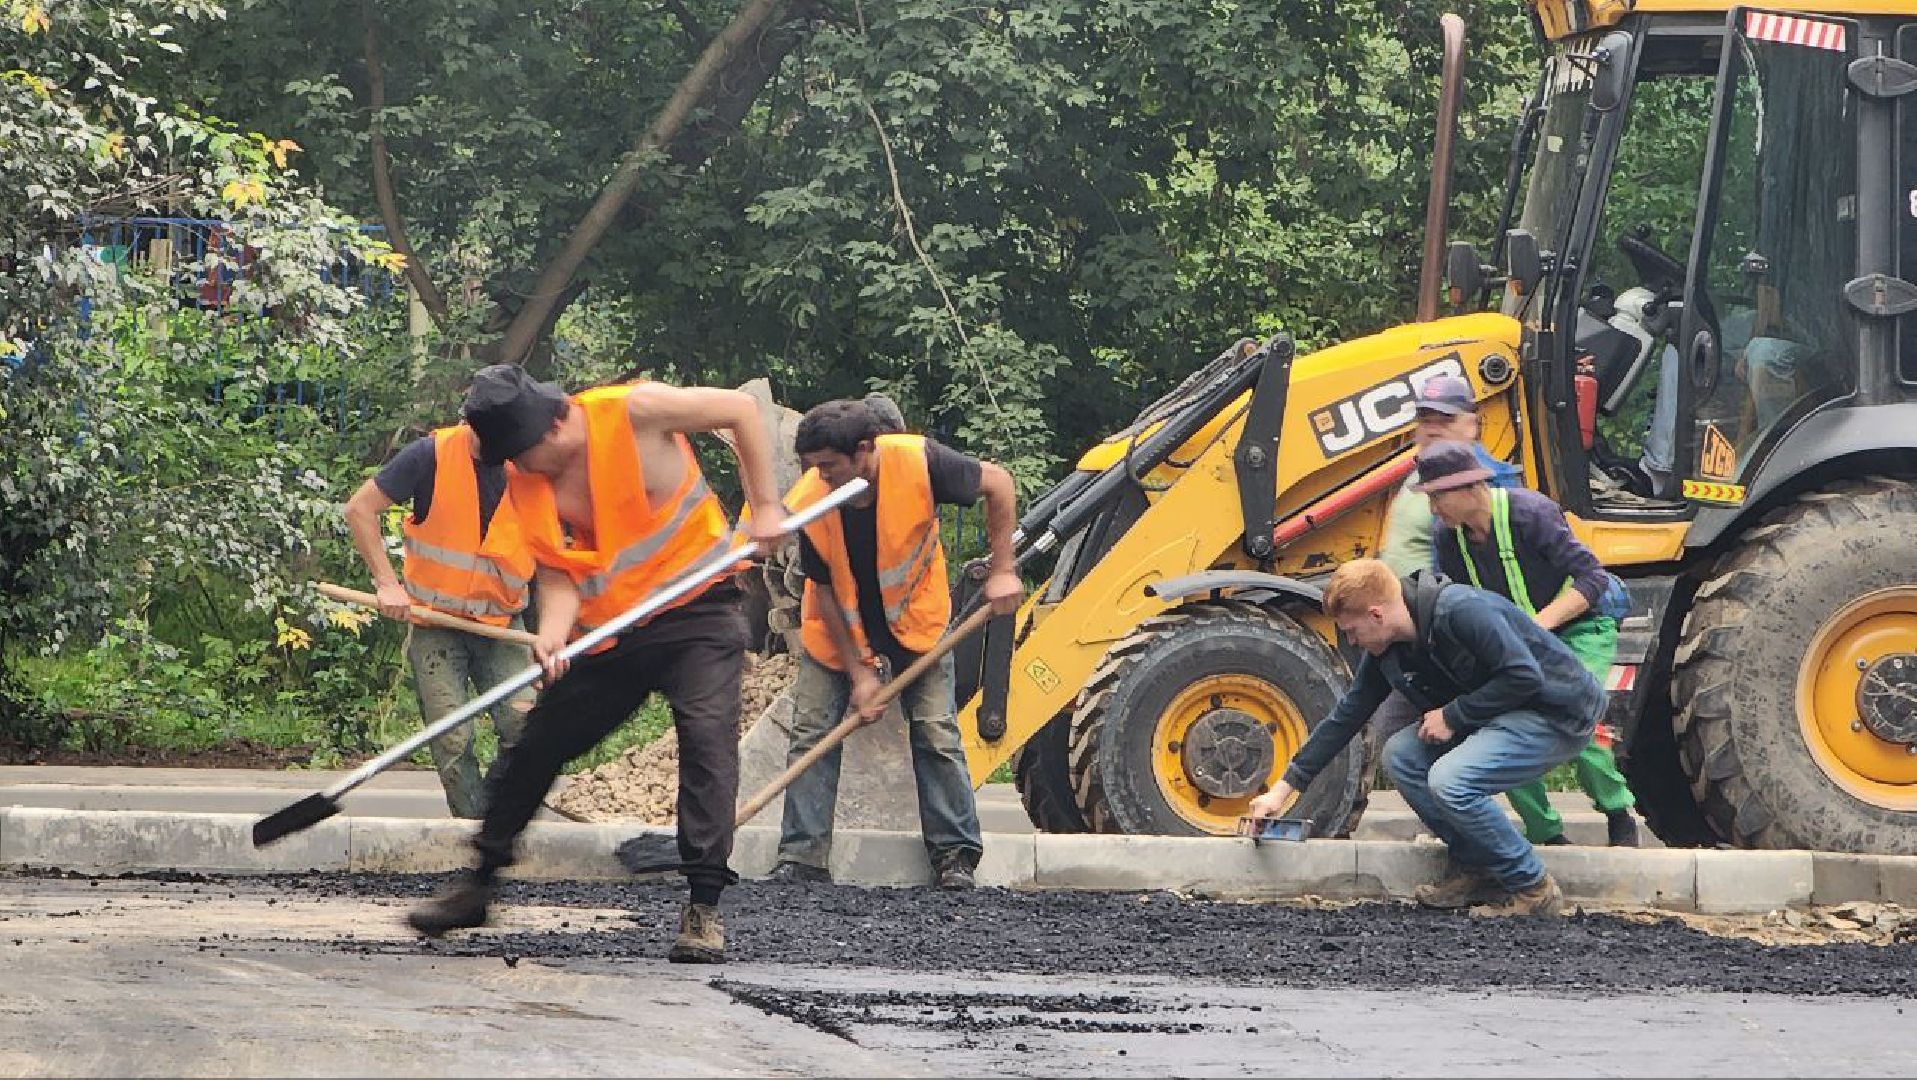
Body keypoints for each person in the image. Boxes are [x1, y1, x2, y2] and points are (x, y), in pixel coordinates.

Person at [406, 364, 790, 964]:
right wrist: (553, 636)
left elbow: (739, 413)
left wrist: (765, 505)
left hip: (700, 612)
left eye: (521, 453)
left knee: (707, 744)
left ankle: (703, 907)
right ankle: (479, 881)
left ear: (551, 426)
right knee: (539, 740)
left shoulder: (635, 412)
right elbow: (558, 575)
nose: (518, 467)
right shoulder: (527, 480)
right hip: (616, 635)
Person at [1248, 555, 1605, 917]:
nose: (1352, 642)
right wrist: (1282, 791)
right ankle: (1479, 866)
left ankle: (1532, 887)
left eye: (1352, 631)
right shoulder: (1389, 648)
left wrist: (1454, 715)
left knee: (1451, 780)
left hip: (1557, 710)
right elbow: (1346, 717)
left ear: (1376, 615)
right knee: (1402, 756)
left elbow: (1525, 677)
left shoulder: (1461, 611)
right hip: (1502, 710)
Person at [771, 400, 1021, 889]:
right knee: (812, 732)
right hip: (838, 628)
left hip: (915, 620)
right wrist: (860, 674)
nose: (820, 478)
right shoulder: (813, 500)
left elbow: (1000, 484)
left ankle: (955, 855)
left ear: (865, 451)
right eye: (813, 467)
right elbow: (823, 590)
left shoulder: (920, 461)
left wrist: (1004, 570)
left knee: (935, 730)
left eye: (829, 467)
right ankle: (801, 857)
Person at [1422, 439, 1640, 847]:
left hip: (1578, 629)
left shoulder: (1531, 513)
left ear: (1472, 488)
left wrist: (1539, 627)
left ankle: (1617, 812)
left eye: (1439, 497)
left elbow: (1592, 579)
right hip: (1515, 645)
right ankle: (1546, 834)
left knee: (1575, 714)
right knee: (1503, 727)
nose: (1434, 508)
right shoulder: (1448, 538)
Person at [1340, 374, 1520, 836]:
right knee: (1392, 734)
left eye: (1446, 418)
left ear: (1472, 425)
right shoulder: (1416, 476)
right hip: (1402, 629)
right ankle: (1466, 833)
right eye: (1424, 418)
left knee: (1428, 737)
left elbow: (1492, 554)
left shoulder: (1482, 481)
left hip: (1445, 632)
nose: (1432, 426)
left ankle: (1480, 835)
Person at [342, 423, 535, 819]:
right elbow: (360, 508)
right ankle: (472, 829)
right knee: (452, 738)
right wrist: (387, 584)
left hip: (500, 621)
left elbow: (550, 551)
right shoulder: (429, 456)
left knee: (524, 726)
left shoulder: (530, 462)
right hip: (436, 625)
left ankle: (505, 820)